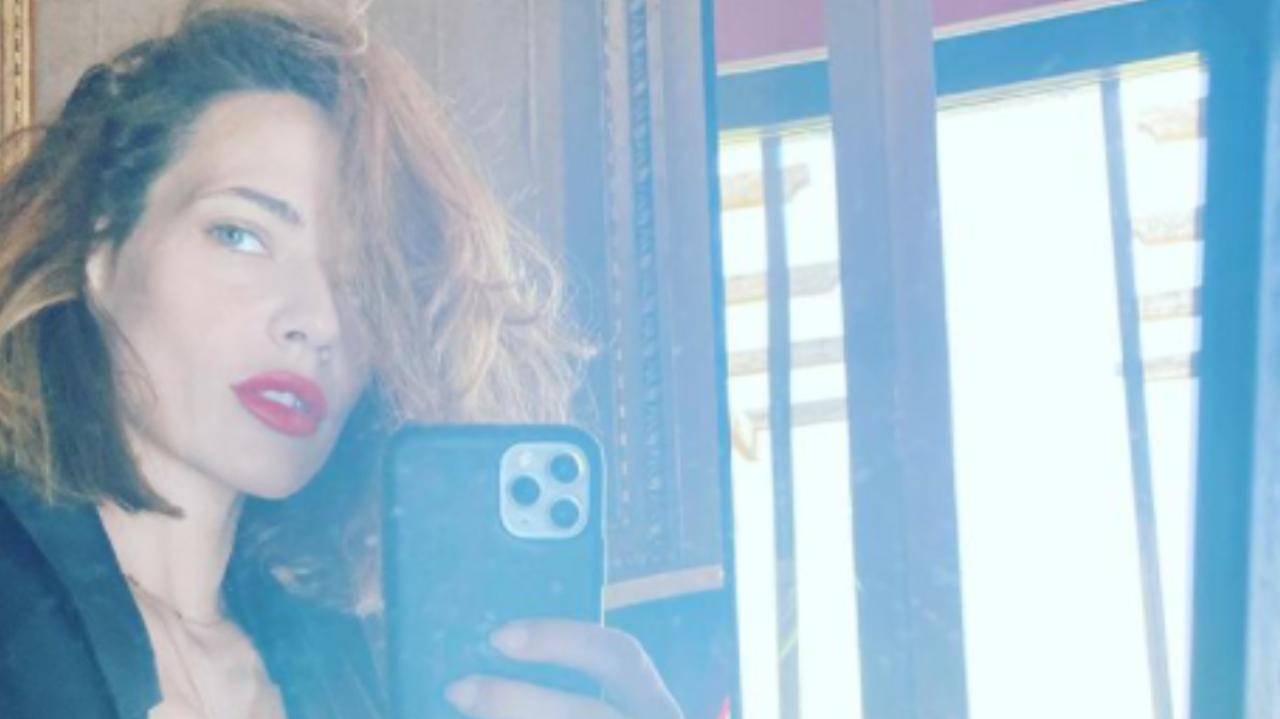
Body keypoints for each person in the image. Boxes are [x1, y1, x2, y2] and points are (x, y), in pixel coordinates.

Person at [0, 1, 683, 717]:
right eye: (241, 235)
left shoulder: (352, 678)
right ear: (101, 249)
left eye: (361, 282)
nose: (319, 321)